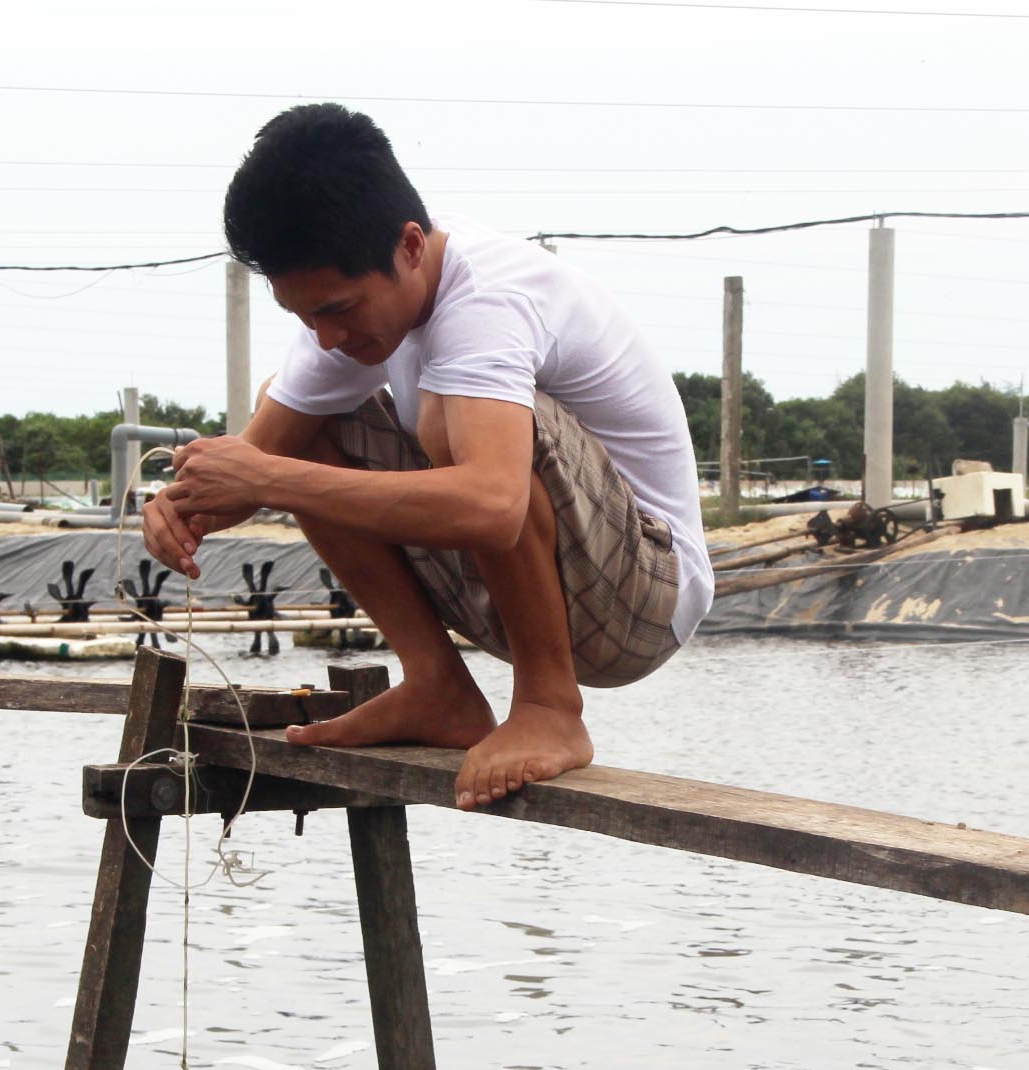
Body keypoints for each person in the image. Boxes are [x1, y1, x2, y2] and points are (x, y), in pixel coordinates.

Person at [142, 104, 713, 810]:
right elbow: (255, 462)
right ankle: (437, 683)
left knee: (461, 423)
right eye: (306, 316)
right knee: (302, 417)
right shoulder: (349, 319)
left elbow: (494, 505)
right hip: (539, 589)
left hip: (643, 601)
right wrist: (182, 507)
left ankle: (548, 706)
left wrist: (267, 476)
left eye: (340, 310)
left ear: (412, 247)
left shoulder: (488, 298)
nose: (326, 337)